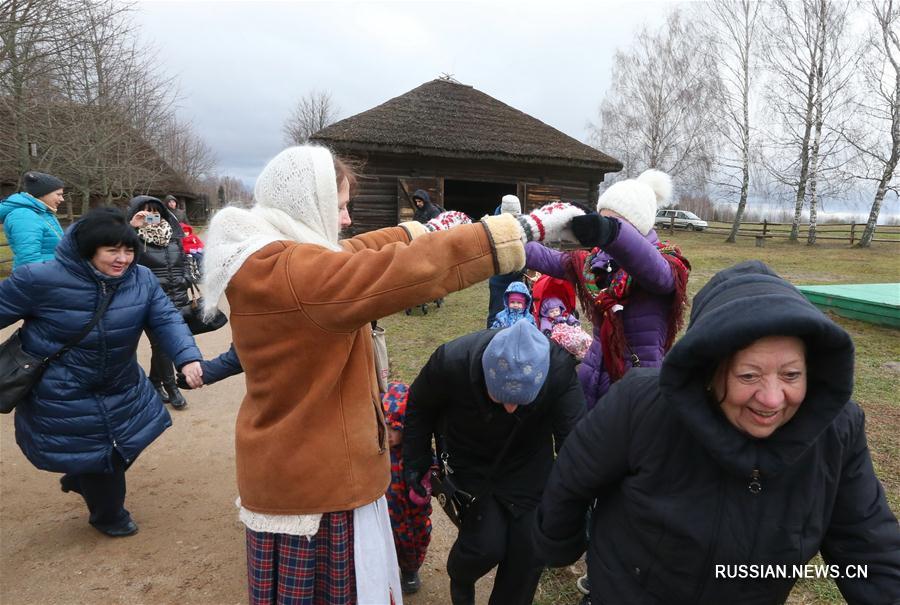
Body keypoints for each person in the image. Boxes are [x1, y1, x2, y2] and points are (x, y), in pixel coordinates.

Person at [199, 144, 585, 605]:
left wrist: (418, 231)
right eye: (339, 206)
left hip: (306, 470)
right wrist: (515, 231)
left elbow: (348, 253)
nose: (345, 219)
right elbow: (390, 273)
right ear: (306, 204)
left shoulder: (273, 260)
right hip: (316, 484)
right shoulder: (291, 274)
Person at [533, 261, 900, 604]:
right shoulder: (642, 404)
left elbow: (867, 546)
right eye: (748, 375)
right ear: (709, 372)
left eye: (791, 375)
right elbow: (574, 477)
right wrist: (560, 544)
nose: (772, 399)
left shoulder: (837, 430)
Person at [0, 207, 203, 537]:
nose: (122, 258)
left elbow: (166, 319)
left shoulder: (141, 278)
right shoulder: (38, 280)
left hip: (121, 383)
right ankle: (109, 516)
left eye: (128, 250)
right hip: (63, 391)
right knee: (104, 461)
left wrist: (187, 357)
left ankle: (84, 477)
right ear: (87, 250)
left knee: (129, 444)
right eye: (112, 250)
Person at [402, 321, 585, 605]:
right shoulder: (451, 361)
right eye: (500, 398)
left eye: (521, 401)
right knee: (484, 547)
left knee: (529, 553)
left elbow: (574, 440)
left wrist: (575, 498)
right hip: (472, 462)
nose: (510, 408)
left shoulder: (558, 370)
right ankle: (461, 579)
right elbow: (419, 407)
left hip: (528, 465)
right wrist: (417, 460)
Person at [528, 169, 691, 410]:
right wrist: (509, 241)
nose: (604, 231)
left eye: (613, 222)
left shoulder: (665, 265)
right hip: (594, 374)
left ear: (637, 225)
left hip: (637, 383)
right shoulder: (596, 263)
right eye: (602, 219)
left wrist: (613, 233)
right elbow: (552, 259)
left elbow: (653, 271)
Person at [127, 195, 194, 409]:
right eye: (145, 211)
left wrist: (186, 278)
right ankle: (171, 386)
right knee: (162, 343)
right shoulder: (133, 236)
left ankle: (154, 382)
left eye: (155, 211)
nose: (151, 216)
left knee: (163, 344)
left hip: (176, 296)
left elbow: (183, 258)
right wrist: (131, 227)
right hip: (150, 299)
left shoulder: (172, 233)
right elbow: (118, 252)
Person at [382, 382, 433, 595]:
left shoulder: (417, 451)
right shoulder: (378, 453)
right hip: (390, 513)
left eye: (396, 428)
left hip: (414, 513)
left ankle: (411, 571)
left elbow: (432, 465)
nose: (390, 434)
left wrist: (427, 481)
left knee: (417, 540)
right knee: (388, 543)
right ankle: (387, 572)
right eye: (386, 427)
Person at [0, 171, 66, 269]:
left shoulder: (42, 212)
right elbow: (29, 258)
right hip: (41, 280)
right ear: (44, 193)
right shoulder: (23, 216)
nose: (62, 199)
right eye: (58, 194)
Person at [485, 195, 525, 328]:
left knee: (518, 309)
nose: (514, 220)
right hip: (499, 277)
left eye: (516, 216)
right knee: (497, 312)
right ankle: (490, 339)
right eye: (512, 216)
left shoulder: (522, 223)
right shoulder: (492, 225)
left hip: (518, 275)